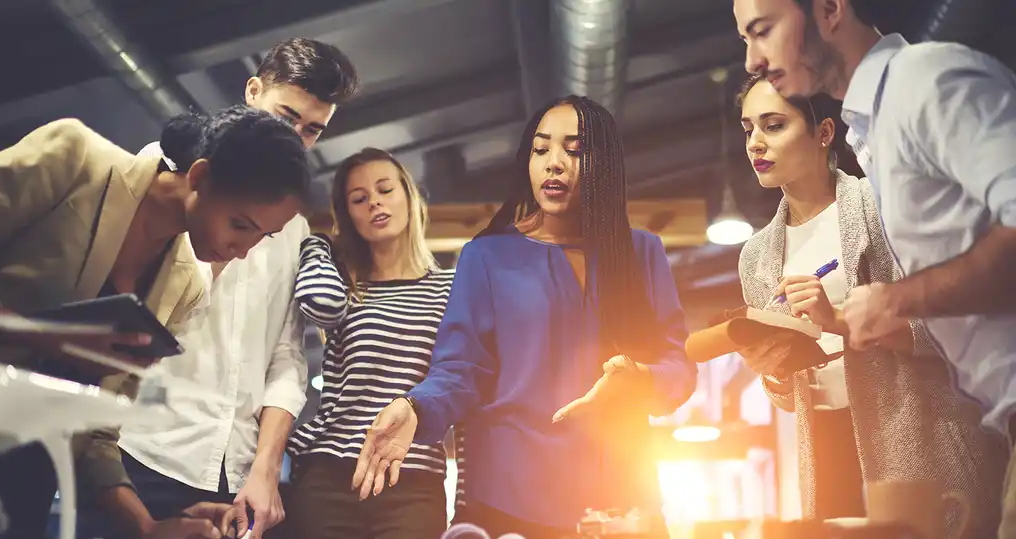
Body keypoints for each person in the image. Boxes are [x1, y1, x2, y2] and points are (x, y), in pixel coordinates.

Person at [353, 96, 698, 539]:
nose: (553, 164)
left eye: (574, 150)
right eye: (541, 150)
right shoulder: (487, 255)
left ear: (605, 163)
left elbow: (678, 367)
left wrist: (639, 379)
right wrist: (416, 407)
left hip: (623, 499)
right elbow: (460, 369)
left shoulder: (641, 251)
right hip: (510, 499)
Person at [733, 0, 1016, 533]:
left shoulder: (920, 91)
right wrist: (776, 370)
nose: (751, 58)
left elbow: (956, 312)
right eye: (748, 128)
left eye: (762, 31)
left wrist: (887, 307)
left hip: (929, 440)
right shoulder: (870, 133)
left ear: (829, 10)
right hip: (842, 451)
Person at [0, 104, 310, 539]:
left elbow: (94, 429)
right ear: (198, 177)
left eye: (262, 236)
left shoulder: (182, 283)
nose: (243, 250)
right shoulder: (76, 159)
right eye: (240, 224)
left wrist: (147, 526)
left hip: (22, 484)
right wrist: (46, 336)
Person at [115, 37, 359, 539]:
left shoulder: (292, 228)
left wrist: (266, 468)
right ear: (252, 90)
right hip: (142, 444)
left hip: (236, 470)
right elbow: (130, 304)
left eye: (313, 129)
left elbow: (287, 356)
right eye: (285, 115)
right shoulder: (169, 170)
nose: (297, 136)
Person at [276, 147, 452, 539]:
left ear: (409, 196)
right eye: (359, 199)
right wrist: (320, 245)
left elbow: (462, 378)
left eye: (385, 189)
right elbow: (320, 306)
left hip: (412, 476)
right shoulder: (345, 287)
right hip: (331, 474)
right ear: (349, 216)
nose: (374, 201)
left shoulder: (452, 287)